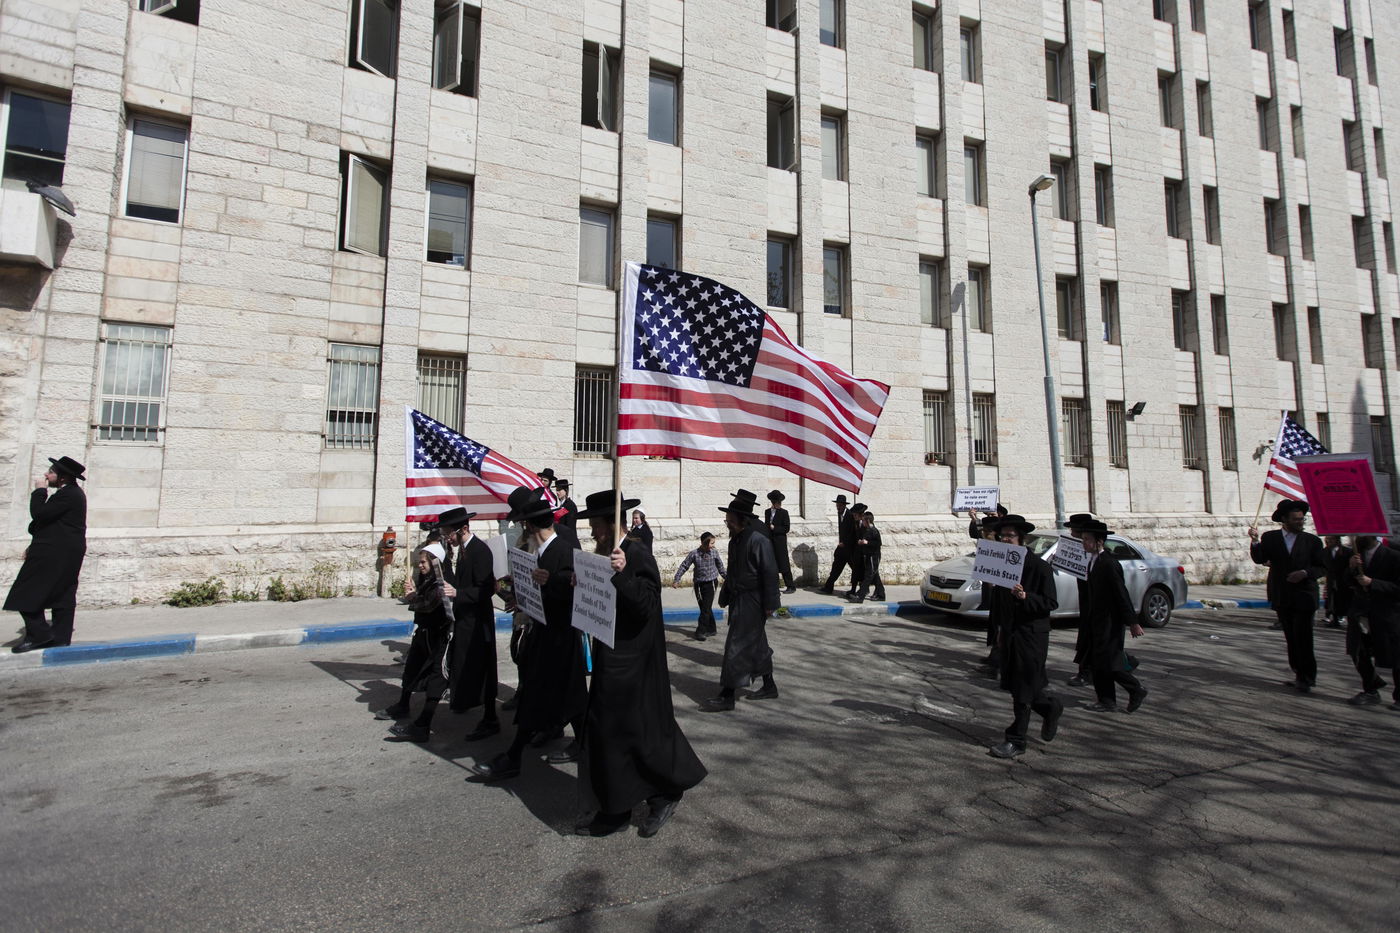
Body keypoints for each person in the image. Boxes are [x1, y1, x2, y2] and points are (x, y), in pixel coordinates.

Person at [571, 490, 708, 837]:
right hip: (610, 658)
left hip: (634, 664)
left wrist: (622, 575)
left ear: (609, 523)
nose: (592, 533)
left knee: (638, 733)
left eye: (596, 526)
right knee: (611, 734)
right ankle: (615, 806)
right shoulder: (606, 554)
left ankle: (664, 793)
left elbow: (645, 606)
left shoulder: (636, 554)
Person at [471, 487, 587, 781]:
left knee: (565, 699)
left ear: (529, 525)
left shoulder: (561, 549)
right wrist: (518, 594)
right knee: (555, 698)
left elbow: (578, 588)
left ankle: (516, 757)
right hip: (545, 636)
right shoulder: (539, 552)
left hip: (561, 639)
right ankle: (521, 753)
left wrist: (553, 581)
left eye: (522, 524)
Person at [987, 515, 1064, 759]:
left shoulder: (1039, 567)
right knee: (1017, 685)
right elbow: (999, 604)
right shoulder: (1002, 567)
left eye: (1010, 535)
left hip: (1031, 636)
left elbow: (1050, 602)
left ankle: (1016, 740)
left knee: (1022, 688)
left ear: (1021, 539)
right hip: (1010, 634)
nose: (1005, 539)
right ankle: (1050, 708)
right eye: (1003, 536)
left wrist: (1025, 597)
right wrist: (998, 631)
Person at [700, 492, 781, 712]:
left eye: (731, 521)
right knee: (757, 645)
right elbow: (734, 570)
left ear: (743, 519)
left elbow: (770, 573)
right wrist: (726, 594)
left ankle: (727, 694)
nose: (728, 524)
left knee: (736, 646)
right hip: (739, 598)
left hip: (753, 601)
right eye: (727, 521)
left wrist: (771, 604)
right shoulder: (736, 540)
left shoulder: (758, 540)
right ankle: (769, 685)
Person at [6, 456, 87, 652]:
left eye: (51, 472)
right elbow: (49, 523)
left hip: (55, 552)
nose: (46, 474)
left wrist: (39, 490)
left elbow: (40, 514)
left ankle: (39, 634)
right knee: (62, 593)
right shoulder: (70, 493)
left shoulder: (68, 494)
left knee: (25, 591)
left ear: (62, 478)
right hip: (62, 550)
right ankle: (60, 637)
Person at [377, 541, 454, 742]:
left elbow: (428, 605)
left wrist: (412, 597)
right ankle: (403, 704)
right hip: (424, 634)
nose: (420, 565)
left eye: (423, 562)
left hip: (439, 638)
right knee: (412, 668)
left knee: (436, 680)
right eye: (419, 562)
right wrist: (414, 592)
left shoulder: (439, 583)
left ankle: (423, 724)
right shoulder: (427, 579)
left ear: (434, 562)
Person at [1249, 499, 1327, 693]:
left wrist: (1306, 573)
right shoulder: (1271, 538)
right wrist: (1255, 540)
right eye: (1295, 519)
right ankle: (1298, 673)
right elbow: (1260, 558)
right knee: (1291, 637)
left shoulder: (1312, 541)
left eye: (1302, 519)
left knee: (1304, 637)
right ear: (1284, 520)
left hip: (1305, 596)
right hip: (1283, 595)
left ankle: (1307, 678)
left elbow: (1322, 567)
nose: (1300, 522)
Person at [440, 507, 500, 741]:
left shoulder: (480, 550)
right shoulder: (461, 551)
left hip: (478, 620)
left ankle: (490, 717)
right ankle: (464, 699)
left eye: (450, 534)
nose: (448, 539)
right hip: (464, 618)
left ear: (463, 529)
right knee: (464, 662)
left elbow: (484, 589)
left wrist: (458, 593)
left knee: (482, 667)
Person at [1078, 520, 1148, 713]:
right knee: (1098, 662)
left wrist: (1132, 622)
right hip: (1096, 620)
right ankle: (1106, 700)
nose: (1084, 543)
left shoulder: (1109, 564)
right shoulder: (1093, 561)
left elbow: (1121, 593)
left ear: (1099, 541)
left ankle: (1136, 689)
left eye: (1087, 539)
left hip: (1109, 621)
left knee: (1109, 662)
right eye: (1083, 539)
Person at [1345, 536, 1400, 708]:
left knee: (1395, 656)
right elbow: (1346, 582)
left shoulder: (1393, 555)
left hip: (1387, 614)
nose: (1358, 535)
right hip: (1361, 612)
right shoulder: (1354, 554)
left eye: (1362, 531)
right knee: (1358, 651)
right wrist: (1351, 568)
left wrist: (1373, 583)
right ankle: (1371, 688)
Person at [674, 532, 726, 640]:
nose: (713, 545)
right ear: (704, 543)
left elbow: (720, 566)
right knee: (704, 607)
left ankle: (700, 631)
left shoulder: (714, 552)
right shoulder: (694, 554)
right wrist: (677, 579)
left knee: (705, 609)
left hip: (711, 583)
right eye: (711, 543)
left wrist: (728, 578)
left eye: (713, 543)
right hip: (698, 584)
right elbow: (684, 566)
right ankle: (711, 629)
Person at [1065, 512, 1097, 688]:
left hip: (1095, 604)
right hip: (1086, 601)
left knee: (1090, 639)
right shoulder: (1079, 551)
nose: (1071, 535)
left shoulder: (1096, 555)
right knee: (1088, 638)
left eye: (1074, 531)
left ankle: (1085, 672)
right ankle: (1126, 661)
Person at [765, 490, 797, 594]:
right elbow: (766, 525)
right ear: (773, 503)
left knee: (784, 564)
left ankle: (790, 585)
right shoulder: (767, 512)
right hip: (770, 542)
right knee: (771, 564)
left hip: (780, 542)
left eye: (780, 502)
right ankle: (774, 586)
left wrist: (775, 528)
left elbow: (786, 528)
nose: (779, 504)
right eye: (777, 502)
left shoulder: (784, 513)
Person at [819, 495, 851, 594]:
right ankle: (828, 587)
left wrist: (845, 543)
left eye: (840, 506)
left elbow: (851, 532)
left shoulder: (849, 515)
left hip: (849, 548)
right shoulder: (840, 513)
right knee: (836, 567)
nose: (838, 508)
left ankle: (868, 588)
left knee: (858, 569)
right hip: (842, 548)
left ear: (844, 505)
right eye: (837, 506)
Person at [851, 511, 885, 602]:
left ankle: (860, 597)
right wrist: (862, 542)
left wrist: (867, 543)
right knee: (875, 576)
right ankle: (881, 595)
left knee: (868, 576)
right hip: (868, 556)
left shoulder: (874, 530)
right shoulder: (867, 530)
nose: (862, 522)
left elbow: (878, 543)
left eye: (864, 520)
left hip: (873, 557)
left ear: (868, 521)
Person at [1322, 534, 1352, 629]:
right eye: (1328, 539)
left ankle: (1347, 619)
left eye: (1331, 539)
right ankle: (1334, 619)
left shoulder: (1347, 551)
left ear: (1337, 540)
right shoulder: (1325, 551)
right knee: (1332, 599)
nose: (1329, 541)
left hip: (1343, 580)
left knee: (1344, 600)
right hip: (1331, 579)